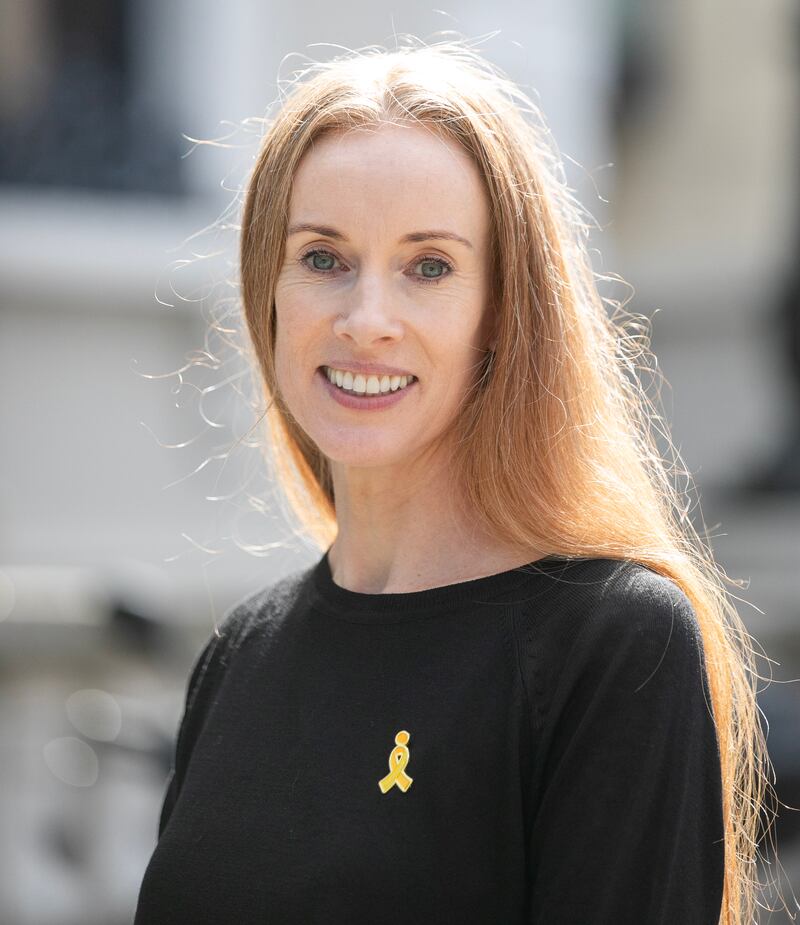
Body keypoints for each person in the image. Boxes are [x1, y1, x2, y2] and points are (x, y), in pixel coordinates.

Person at [133, 41, 773, 925]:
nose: (367, 319)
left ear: (502, 313)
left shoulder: (614, 647)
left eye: (428, 266)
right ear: (267, 289)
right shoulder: (240, 655)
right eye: (323, 257)